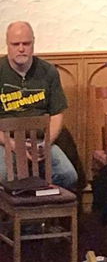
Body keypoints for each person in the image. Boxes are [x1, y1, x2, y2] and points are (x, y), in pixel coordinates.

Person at [0, 22, 77, 189]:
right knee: (5, 176)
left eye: (26, 43)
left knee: (68, 175)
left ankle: (42, 203)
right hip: (6, 142)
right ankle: (20, 204)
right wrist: (13, 145)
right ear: (7, 44)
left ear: (33, 43)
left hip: (40, 141)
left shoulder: (48, 71)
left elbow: (56, 114)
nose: (21, 49)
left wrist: (46, 142)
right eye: (16, 44)